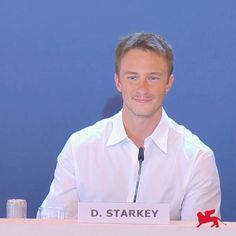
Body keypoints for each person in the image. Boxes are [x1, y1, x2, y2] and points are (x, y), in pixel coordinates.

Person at [39, 32, 221, 220]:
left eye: (153, 78)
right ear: (118, 82)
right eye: (133, 77)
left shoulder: (197, 158)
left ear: (168, 83)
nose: (142, 89)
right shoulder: (79, 148)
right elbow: (52, 224)